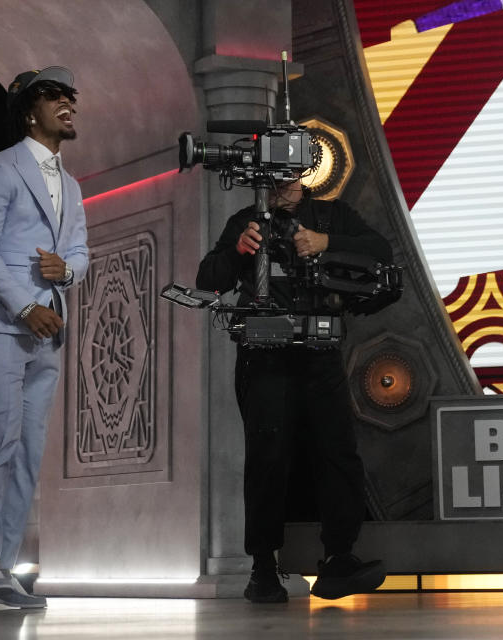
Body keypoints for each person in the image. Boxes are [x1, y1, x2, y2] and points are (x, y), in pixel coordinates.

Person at [195, 178, 390, 603]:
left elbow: (381, 251)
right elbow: (208, 279)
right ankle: (263, 567)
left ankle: (339, 557)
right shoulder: (246, 221)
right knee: (268, 459)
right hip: (264, 357)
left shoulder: (333, 215)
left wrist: (325, 241)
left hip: (321, 352)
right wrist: (238, 251)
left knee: (337, 453)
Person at [0, 66, 88, 608]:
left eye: (70, 98)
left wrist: (66, 273)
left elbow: (79, 250)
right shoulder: (1, 169)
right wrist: (26, 303)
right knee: (2, 436)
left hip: (49, 324)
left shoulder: (71, 183)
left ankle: (3, 567)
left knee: (31, 448)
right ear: (30, 111)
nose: (67, 105)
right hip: (5, 321)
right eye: (55, 97)